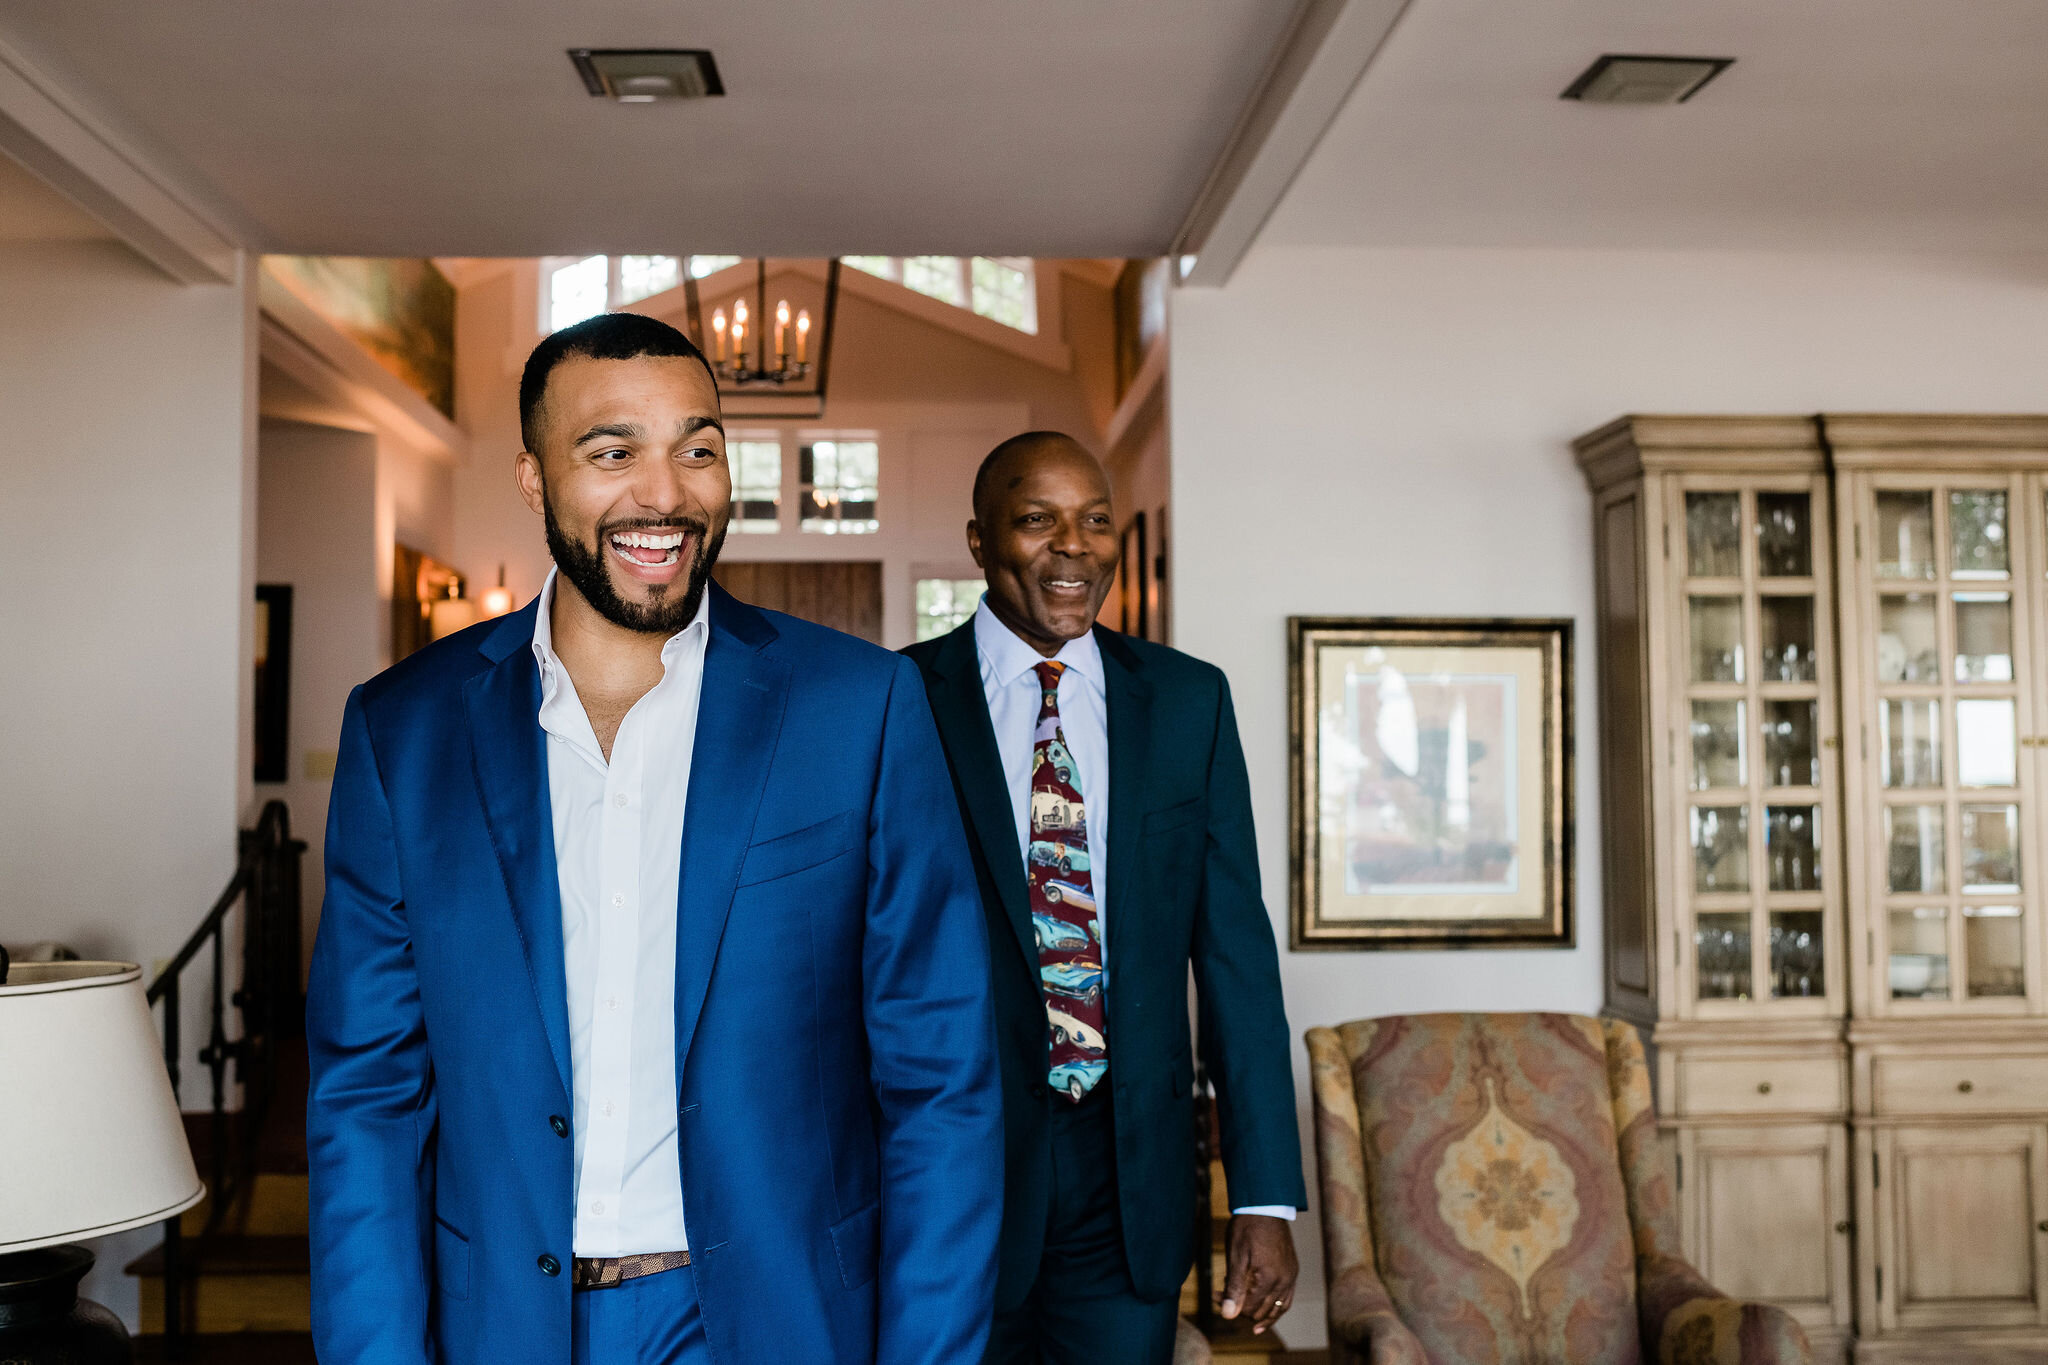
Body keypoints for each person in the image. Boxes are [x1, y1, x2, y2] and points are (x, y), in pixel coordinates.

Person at [307, 312, 1002, 1365]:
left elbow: (942, 1079)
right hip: (500, 1320)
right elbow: (366, 1096)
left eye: (697, 447)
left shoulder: (859, 708)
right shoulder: (402, 731)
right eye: (612, 452)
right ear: (535, 481)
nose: (665, 494)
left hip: (780, 1319)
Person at [902, 432, 1306, 1365]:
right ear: (979, 540)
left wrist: (1262, 1196)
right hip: (951, 1172)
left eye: (1094, 520)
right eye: (1038, 520)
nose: (1073, 546)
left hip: (1131, 1181)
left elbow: (1238, 958)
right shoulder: (899, 697)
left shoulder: (1187, 701)